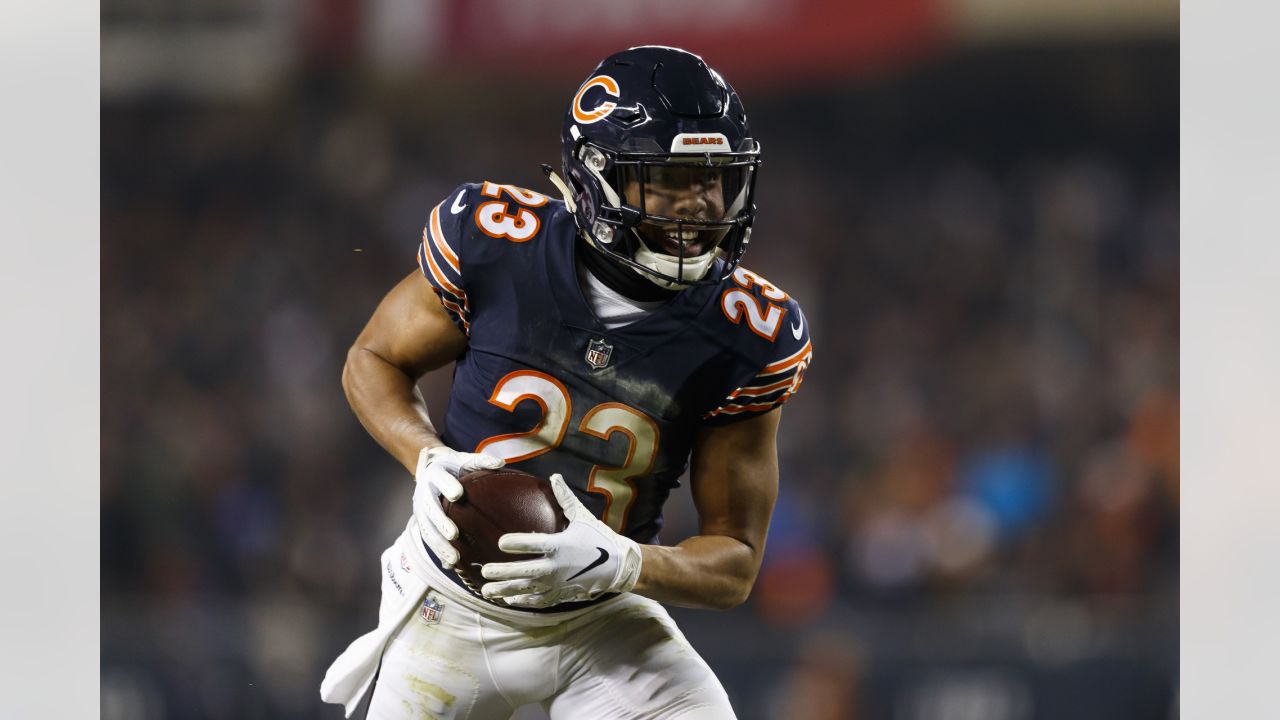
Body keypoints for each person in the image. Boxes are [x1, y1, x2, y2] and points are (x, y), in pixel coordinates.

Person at [321, 45, 813, 719]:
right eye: (671, 177)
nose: (701, 202)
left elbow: (735, 561)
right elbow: (372, 359)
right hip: (450, 604)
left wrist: (626, 562)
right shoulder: (498, 247)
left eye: (714, 178)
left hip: (602, 618)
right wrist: (423, 452)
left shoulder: (747, 333)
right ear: (596, 179)